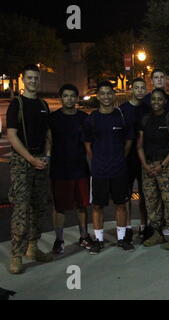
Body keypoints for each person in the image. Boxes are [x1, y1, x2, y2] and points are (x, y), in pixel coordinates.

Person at [6, 64, 53, 274]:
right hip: (22, 162)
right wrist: (30, 159)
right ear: (23, 80)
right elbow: (12, 135)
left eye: (36, 78)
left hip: (40, 161)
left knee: (40, 207)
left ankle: (33, 248)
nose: (33, 81)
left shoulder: (43, 104)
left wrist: (47, 155)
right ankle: (16, 254)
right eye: (30, 78)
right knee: (21, 209)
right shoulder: (17, 104)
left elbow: (48, 134)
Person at [83, 81, 135, 254]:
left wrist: (120, 158)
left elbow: (128, 142)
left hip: (119, 169)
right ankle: (98, 240)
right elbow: (88, 145)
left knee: (121, 204)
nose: (106, 96)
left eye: (109, 93)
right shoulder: (92, 118)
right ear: (98, 96)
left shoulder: (121, 117)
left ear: (113, 95)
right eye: (102, 93)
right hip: (99, 171)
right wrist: (98, 160)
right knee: (97, 206)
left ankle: (121, 239)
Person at [137, 89, 169, 250]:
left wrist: (162, 165)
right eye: (153, 99)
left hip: (168, 167)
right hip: (149, 167)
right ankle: (157, 233)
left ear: (165, 101)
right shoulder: (145, 119)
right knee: (152, 201)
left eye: (160, 99)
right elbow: (139, 146)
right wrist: (145, 165)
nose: (156, 102)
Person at [50, 84, 93, 254]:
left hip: (80, 168)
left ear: (77, 98)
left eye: (72, 96)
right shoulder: (53, 119)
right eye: (65, 96)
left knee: (81, 205)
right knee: (59, 206)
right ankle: (59, 239)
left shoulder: (84, 118)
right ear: (61, 98)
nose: (69, 99)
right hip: (60, 168)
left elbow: (89, 142)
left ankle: (83, 236)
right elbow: (48, 140)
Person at [118, 78, 150, 243]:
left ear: (145, 90)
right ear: (131, 89)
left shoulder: (148, 109)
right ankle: (129, 226)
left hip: (144, 157)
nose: (139, 90)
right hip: (128, 157)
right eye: (136, 87)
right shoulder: (123, 110)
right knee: (127, 194)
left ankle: (144, 225)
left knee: (144, 194)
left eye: (142, 88)